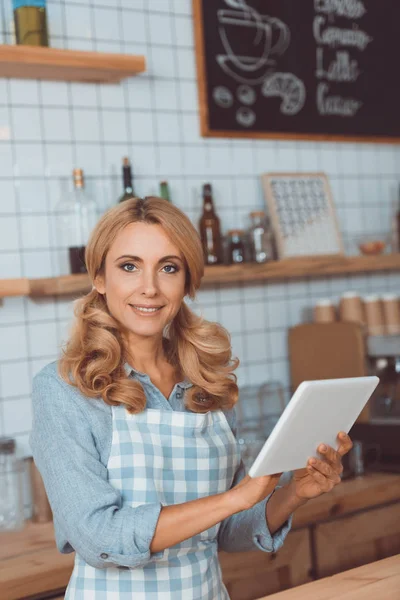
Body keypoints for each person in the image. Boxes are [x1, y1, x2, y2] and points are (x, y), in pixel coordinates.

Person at [30, 198, 352, 599]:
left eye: (168, 268)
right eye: (129, 266)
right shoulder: (64, 389)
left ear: (186, 282)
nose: (149, 287)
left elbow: (226, 531)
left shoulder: (205, 382)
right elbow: (97, 537)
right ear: (99, 277)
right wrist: (235, 497)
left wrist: (293, 494)